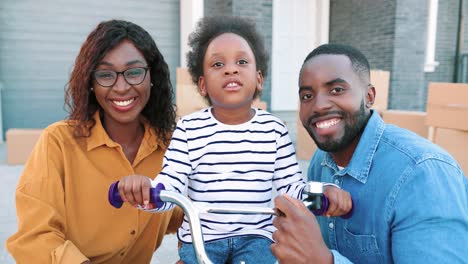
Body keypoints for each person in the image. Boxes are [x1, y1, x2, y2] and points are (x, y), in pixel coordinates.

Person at [116, 17, 352, 264]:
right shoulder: (189, 128)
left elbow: (292, 188)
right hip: (201, 239)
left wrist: (326, 192)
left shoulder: (274, 130)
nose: (231, 69)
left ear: (258, 79)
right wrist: (148, 192)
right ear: (203, 84)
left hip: (256, 239)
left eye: (242, 62)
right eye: (218, 64)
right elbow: (171, 185)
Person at [270, 43, 468, 263]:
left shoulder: (423, 173)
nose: (319, 106)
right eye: (307, 96)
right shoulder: (320, 162)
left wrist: (323, 261)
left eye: (336, 90)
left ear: (369, 96)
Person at [6, 20, 184, 264]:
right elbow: (35, 238)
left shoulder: (174, 147)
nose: (121, 87)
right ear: (90, 82)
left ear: (152, 76)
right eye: (105, 75)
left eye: (133, 72)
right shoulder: (57, 143)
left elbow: (190, 215)